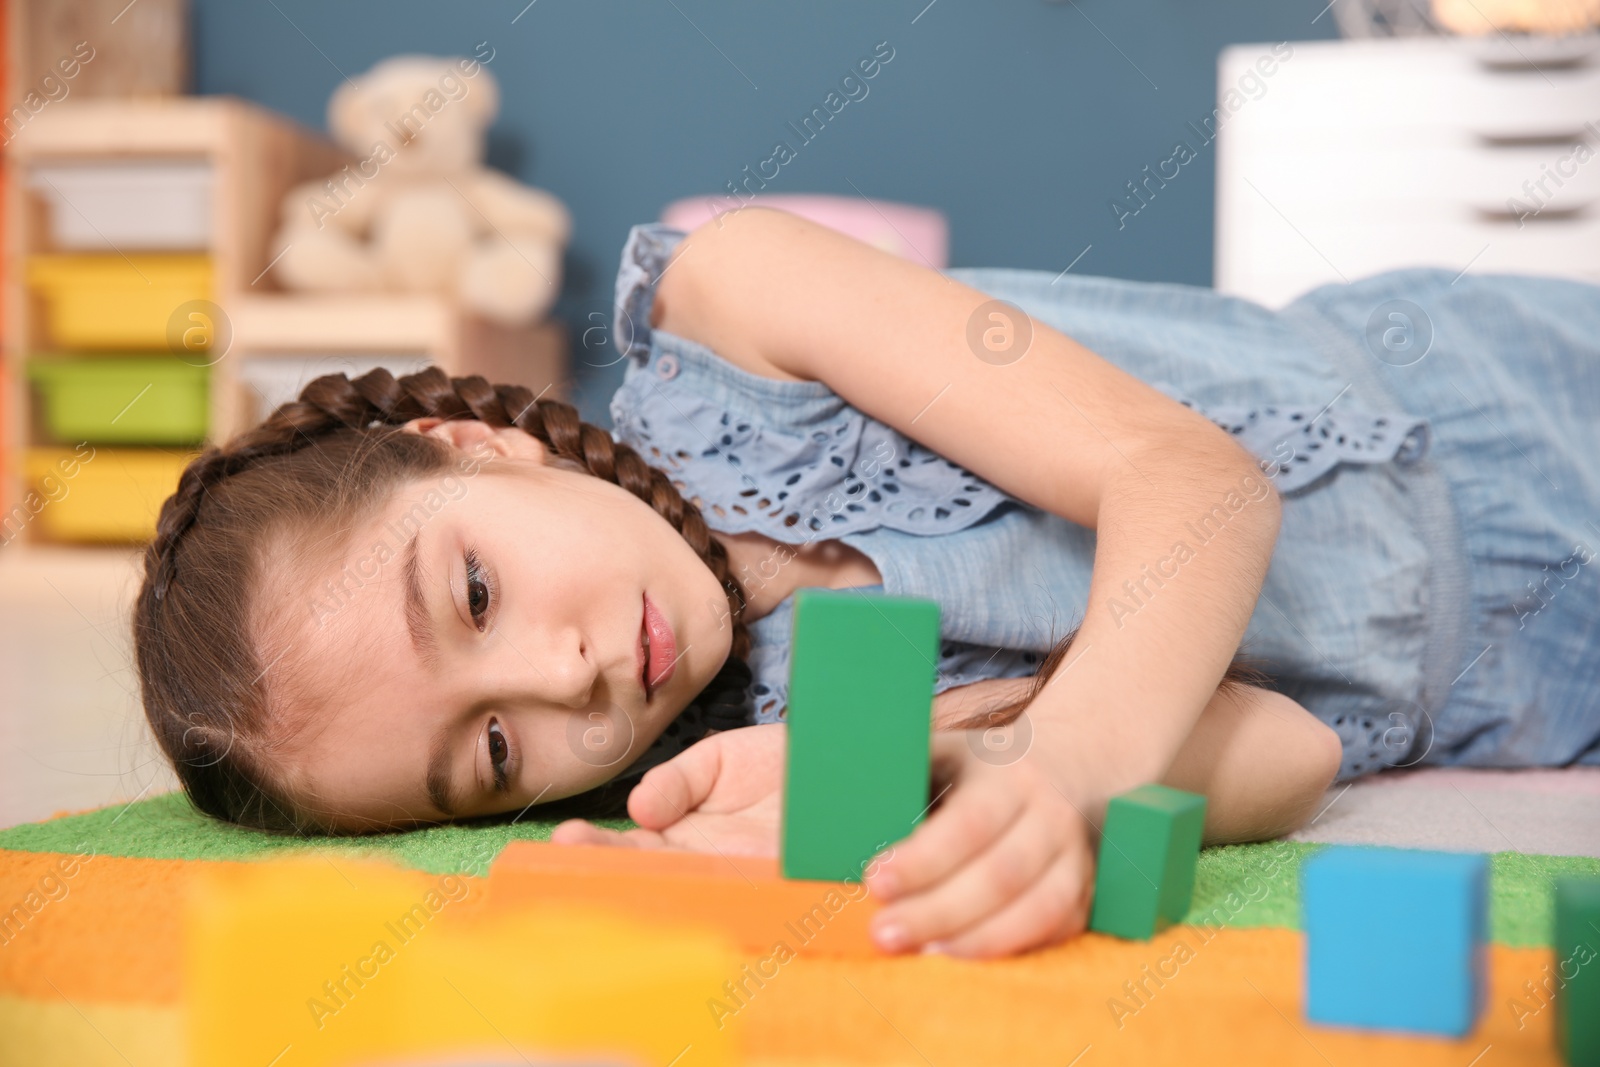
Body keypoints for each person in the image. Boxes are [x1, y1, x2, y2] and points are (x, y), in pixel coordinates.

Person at [134, 207, 1600, 959]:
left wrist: (1068, 759)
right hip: (1530, 698)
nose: (565, 673)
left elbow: (1197, 484)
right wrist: (945, 774)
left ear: (468, 444)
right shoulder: (744, 754)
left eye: (471, 597)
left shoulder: (741, 308)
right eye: (495, 750)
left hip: (1516, 422)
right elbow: (1297, 746)